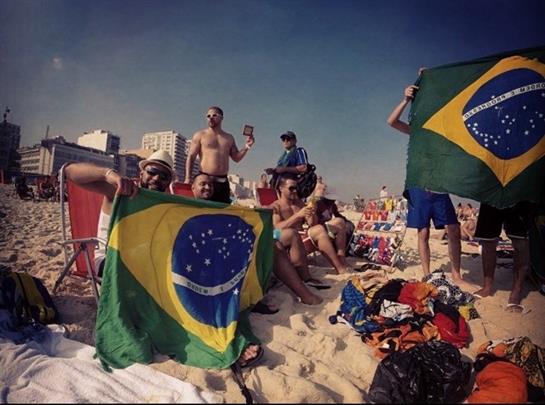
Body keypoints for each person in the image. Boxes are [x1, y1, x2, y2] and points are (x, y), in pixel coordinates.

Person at [65, 152, 263, 368]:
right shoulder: (120, 191)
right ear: (142, 172)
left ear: (169, 182)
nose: (157, 179)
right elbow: (70, 172)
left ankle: (211, 330)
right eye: (152, 172)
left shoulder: (162, 205)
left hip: (150, 265)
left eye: (164, 176)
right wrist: (109, 175)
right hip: (112, 261)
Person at [192, 173, 323, 305]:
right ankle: (302, 294)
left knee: (273, 244)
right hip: (209, 253)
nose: (208, 187)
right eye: (202, 184)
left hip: (227, 246)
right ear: (193, 188)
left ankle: (302, 289)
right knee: (273, 245)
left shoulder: (218, 206)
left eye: (210, 184)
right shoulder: (186, 207)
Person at [387, 82, 462, 282]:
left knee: (453, 229)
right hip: (418, 185)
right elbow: (392, 121)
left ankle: (456, 274)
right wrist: (406, 99)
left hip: (438, 186)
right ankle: (427, 273)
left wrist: (434, 83)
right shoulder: (417, 132)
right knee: (424, 232)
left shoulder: (444, 133)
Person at [269, 174, 352, 274]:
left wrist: (312, 214)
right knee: (319, 230)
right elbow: (276, 229)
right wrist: (298, 216)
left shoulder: (299, 203)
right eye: (291, 188)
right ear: (281, 188)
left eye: (296, 188)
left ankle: (341, 257)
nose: (295, 191)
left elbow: (313, 224)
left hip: (304, 237)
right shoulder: (276, 206)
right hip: (291, 241)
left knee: (338, 222)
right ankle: (340, 268)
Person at [473, 202, 536, 313]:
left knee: (520, 240)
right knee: (488, 240)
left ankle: (516, 292)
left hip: (519, 191)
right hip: (493, 192)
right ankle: (487, 287)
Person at [184, 106, 255, 204]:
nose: (210, 117)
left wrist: (247, 146)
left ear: (221, 118)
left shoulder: (229, 138)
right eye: (208, 116)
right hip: (205, 182)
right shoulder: (200, 135)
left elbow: (236, 158)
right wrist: (187, 178)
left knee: (222, 212)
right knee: (203, 210)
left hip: (222, 182)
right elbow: (191, 157)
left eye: (214, 115)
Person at [315, 186, 355, 257]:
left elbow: (337, 214)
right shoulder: (318, 204)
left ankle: (345, 249)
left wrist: (346, 221)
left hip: (327, 226)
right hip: (320, 227)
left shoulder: (332, 205)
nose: (332, 201)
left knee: (349, 227)